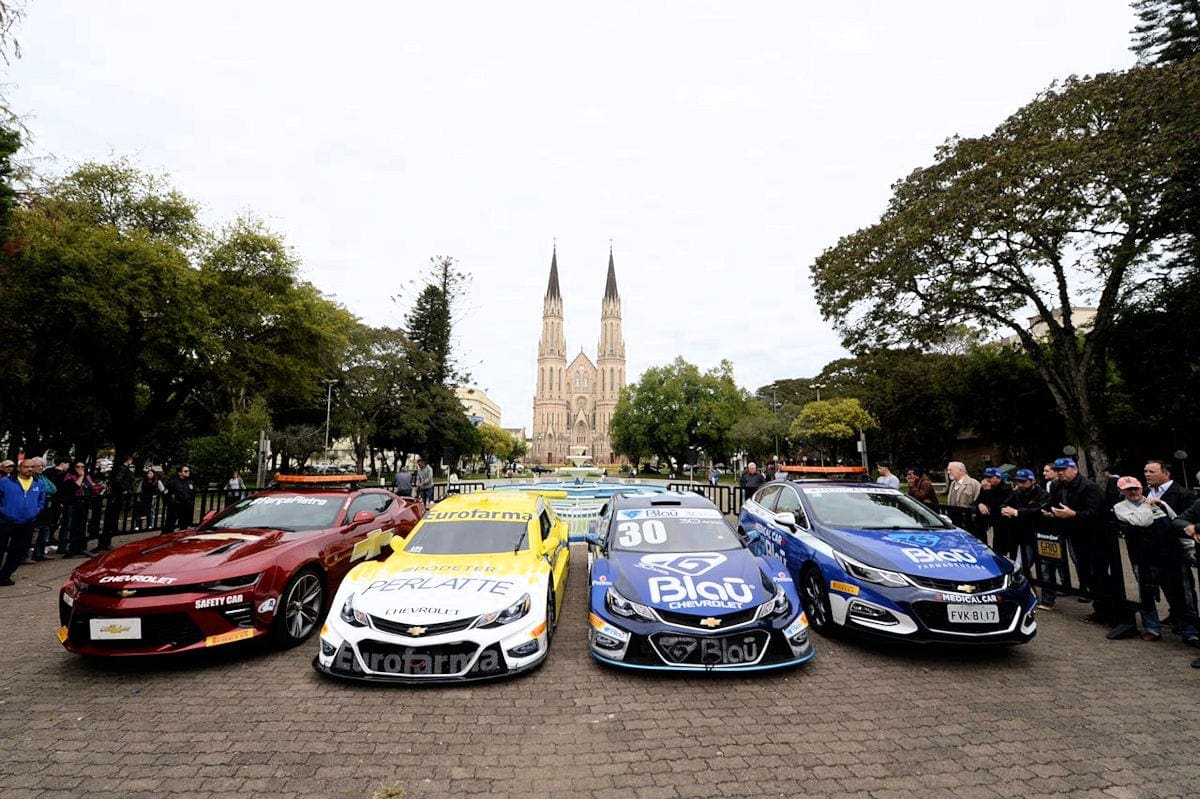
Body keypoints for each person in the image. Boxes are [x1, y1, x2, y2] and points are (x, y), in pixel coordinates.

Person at [1114, 475, 1198, 644]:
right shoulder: (1120, 507)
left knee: (1180, 595)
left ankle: (1189, 630)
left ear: (1141, 487)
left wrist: (1189, 548)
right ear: (1121, 491)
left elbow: (1176, 523)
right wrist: (1146, 505)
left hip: (1171, 556)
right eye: (1128, 489)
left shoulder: (1160, 503)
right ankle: (1152, 628)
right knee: (1147, 595)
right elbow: (1141, 521)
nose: (1133, 492)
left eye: (1135, 488)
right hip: (1143, 558)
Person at [1144, 459, 1199, 636]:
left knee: (1184, 590)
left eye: (1152, 472)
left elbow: (1187, 519)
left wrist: (1192, 529)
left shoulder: (1182, 493)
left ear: (1166, 473)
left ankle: (1191, 628)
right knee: (1166, 586)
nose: (1147, 475)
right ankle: (1176, 616)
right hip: (1154, 550)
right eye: (1146, 471)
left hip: (1176, 550)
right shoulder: (1145, 492)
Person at [1001, 469, 1052, 605]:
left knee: (1044, 570)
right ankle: (1029, 593)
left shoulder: (1042, 494)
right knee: (1020, 566)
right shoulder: (1016, 493)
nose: (1021, 484)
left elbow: (1040, 511)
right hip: (1023, 537)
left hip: (1041, 536)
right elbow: (1005, 503)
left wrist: (1017, 512)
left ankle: (1048, 599)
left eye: (1024, 482)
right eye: (1018, 481)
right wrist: (1004, 509)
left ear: (1032, 481)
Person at [0, 458, 49, 586]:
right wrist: (3, 511)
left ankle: (5, 575)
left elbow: (41, 500)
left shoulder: (38, 483)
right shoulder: (6, 481)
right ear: (19, 468)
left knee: (17, 550)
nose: (30, 469)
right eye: (27, 467)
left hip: (27, 522)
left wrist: (36, 511)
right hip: (6, 521)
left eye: (33, 467)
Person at [60, 462, 97, 558]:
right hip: (73, 503)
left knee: (82, 526)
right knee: (71, 526)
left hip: (84, 503)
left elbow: (91, 487)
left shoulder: (87, 477)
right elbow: (74, 487)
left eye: (82, 467)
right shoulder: (69, 477)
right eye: (78, 466)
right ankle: (70, 548)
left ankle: (81, 547)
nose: (80, 468)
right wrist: (80, 477)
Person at [98, 454, 135, 550]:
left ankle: (110, 532)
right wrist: (123, 489)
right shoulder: (123, 469)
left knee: (114, 513)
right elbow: (118, 480)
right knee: (113, 513)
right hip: (118, 494)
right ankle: (108, 535)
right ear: (128, 460)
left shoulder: (120, 468)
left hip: (118, 494)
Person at [977, 467, 1013, 553]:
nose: (987, 480)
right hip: (991, 520)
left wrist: (988, 491)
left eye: (990, 477)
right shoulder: (985, 487)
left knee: (1003, 546)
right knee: (995, 545)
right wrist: (980, 504)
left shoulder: (1006, 489)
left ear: (998, 477)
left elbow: (997, 504)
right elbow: (979, 499)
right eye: (986, 477)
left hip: (1003, 522)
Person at [30, 458, 59, 560]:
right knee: (33, 531)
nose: (41, 467)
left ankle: (40, 553)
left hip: (46, 507)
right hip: (35, 507)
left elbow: (53, 489)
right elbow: (44, 489)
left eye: (42, 465)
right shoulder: (32, 477)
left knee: (45, 529)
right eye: (39, 465)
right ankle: (26, 555)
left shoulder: (43, 477)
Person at [161, 465, 197, 536]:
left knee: (184, 527)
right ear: (180, 473)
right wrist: (171, 503)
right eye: (185, 471)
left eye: (188, 471)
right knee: (169, 526)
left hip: (186, 508)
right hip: (175, 508)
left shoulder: (190, 482)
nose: (188, 472)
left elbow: (192, 494)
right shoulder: (173, 482)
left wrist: (191, 503)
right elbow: (166, 494)